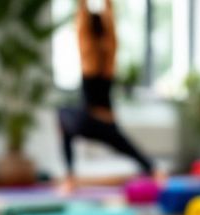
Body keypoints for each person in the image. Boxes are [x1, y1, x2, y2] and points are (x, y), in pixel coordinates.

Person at [58, 0, 155, 192]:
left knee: (60, 114)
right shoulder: (110, 51)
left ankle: (69, 177)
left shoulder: (87, 53)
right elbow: (110, 19)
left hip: (88, 120)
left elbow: (82, 17)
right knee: (132, 151)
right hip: (108, 122)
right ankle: (153, 170)